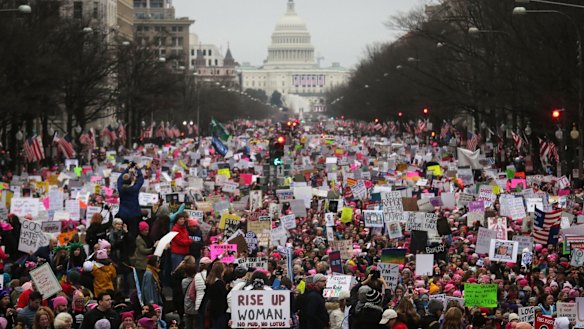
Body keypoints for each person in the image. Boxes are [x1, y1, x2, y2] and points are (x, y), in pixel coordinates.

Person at [117, 162, 144, 240]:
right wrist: (138, 170)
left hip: (123, 214)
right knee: (133, 235)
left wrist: (127, 168)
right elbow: (140, 181)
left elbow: (119, 180)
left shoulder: (120, 189)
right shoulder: (134, 189)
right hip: (134, 215)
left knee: (123, 234)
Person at [133, 222, 157, 287]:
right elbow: (142, 250)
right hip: (141, 263)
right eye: (145, 230)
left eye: (148, 230)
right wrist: (153, 249)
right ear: (141, 231)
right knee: (142, 281)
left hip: (148, 262)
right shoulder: (139, 239)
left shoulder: (149, 237)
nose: (147, 231)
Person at [204, 262, 227, 329]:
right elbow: (223, 296)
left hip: (212, 308)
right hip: (220, 310)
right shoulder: (220, 283)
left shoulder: (209, 281)